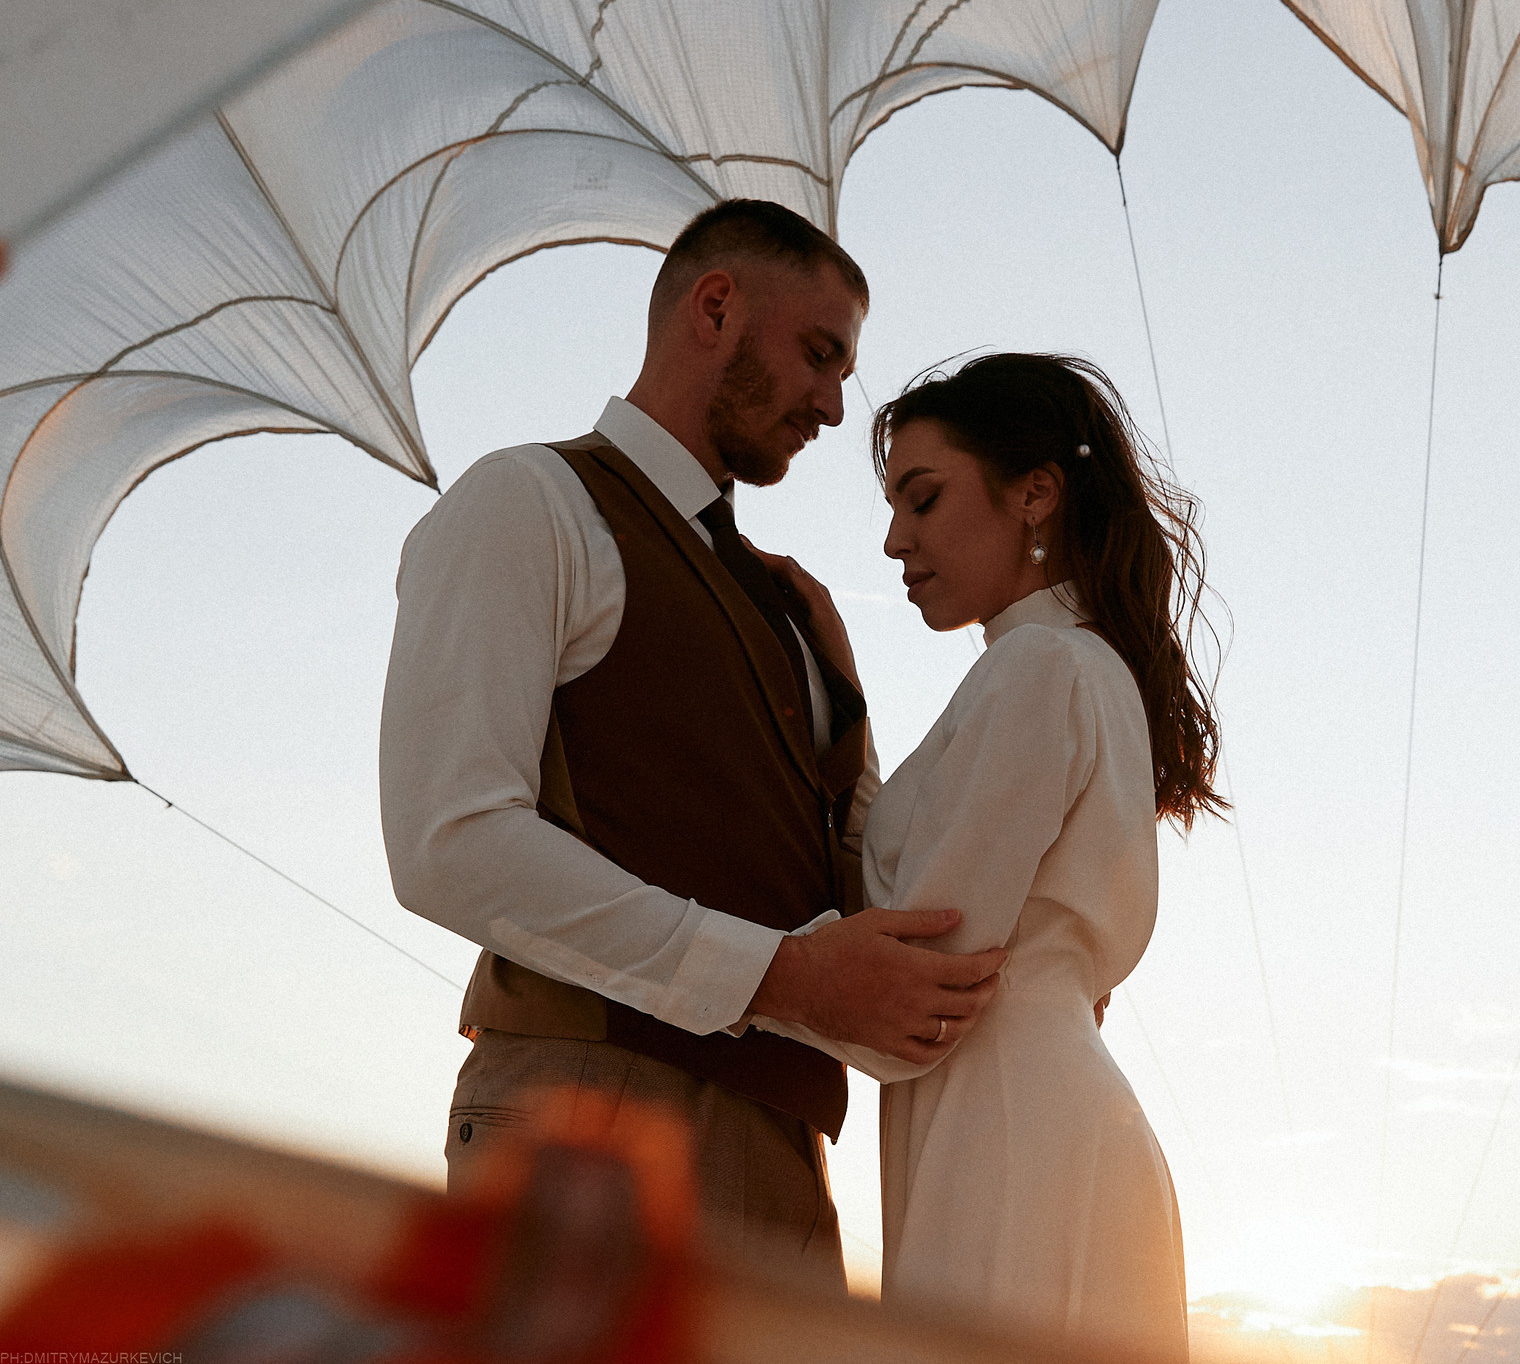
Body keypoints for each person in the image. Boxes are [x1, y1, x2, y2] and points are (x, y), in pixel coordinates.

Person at [377, 198, 1005, 1290]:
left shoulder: (801, 615)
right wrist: (781, 978)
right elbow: (449, 842)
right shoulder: (527, 502)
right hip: (584, 1121)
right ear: (714, 307)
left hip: (789, 1152)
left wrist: (1024, 938)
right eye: (819, 354)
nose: (832, 402)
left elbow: (865, 878)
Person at [767, 352, 1219, 1359]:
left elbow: (918, 992)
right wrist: (842, 688)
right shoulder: (1068, 666)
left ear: (1035, 494)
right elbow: (923, 899)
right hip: (1032, 1116)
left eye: (922, 499)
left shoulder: (1040, 668)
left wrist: (729, 982)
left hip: (1012, 1134)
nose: (895, 539)